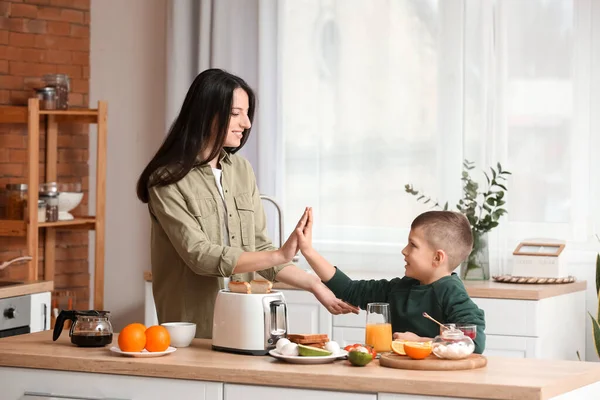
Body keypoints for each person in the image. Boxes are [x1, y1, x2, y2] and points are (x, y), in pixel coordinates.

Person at [136, 69, 358, 338]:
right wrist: (279, 255)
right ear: (206, 113)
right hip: (194, 331)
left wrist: (315, 284)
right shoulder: (166, 179)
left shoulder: (241, 170)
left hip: (246, 324)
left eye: (247, 113)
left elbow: (258, 249)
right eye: (235, 113)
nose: (247, 123)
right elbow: (199, 255)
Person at [294, 208, 486, 353]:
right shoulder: (401, 287)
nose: (404, 250)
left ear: (437, 258)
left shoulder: (451, 292)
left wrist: (421, 342)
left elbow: (474, 344)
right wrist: (308, 251)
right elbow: (350, 290)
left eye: (413, 245)